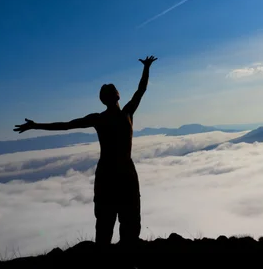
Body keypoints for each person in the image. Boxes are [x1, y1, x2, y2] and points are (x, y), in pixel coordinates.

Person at [14, 55, 158, 247]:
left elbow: (141, 90)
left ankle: (122, 259)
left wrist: (146, 68)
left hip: (116, 173)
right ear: (116, 96)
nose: (111, 94)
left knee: (123, 223)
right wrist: (36, 125)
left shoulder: (115, 115)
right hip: (118, 173)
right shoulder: (122, 114)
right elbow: (66, 125)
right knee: (115, 223)